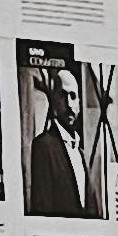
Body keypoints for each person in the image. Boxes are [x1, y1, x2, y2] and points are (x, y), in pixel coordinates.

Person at [28, 59, 97, 214]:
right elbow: (42, 205)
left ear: (79, 102)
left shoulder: (80, 152)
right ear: (54, 101)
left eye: (73, 96)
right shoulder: (43, 145)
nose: (69, 104)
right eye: (62, 95)